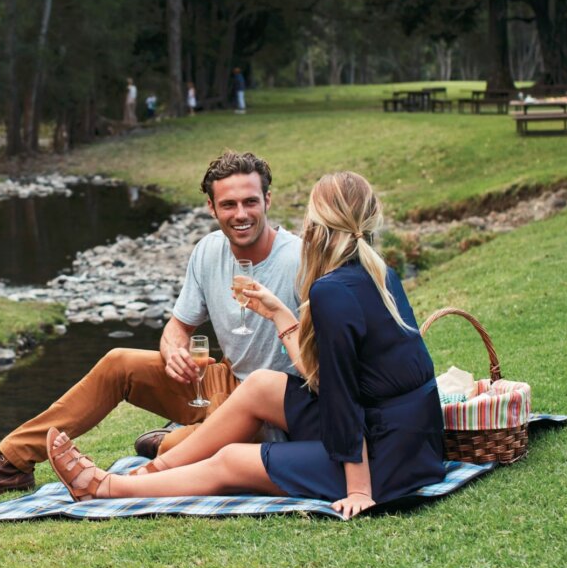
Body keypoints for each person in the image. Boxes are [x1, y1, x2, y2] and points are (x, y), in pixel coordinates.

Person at [45, 171, 445, 519]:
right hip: (414, 441)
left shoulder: (332, 291)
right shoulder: (377, 271)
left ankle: (102, 488)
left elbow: (342, 397)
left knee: (231, 460)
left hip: (383, 461)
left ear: (318, 223)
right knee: (261, 386)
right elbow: (331, 377)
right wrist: (278, 314)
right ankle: (148, 474)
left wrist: (358, 489)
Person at [0, 152, 302, 502]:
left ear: (268, 200)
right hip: (222, 383)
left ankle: (163, 444)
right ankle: (11, 464)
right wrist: (173, 351)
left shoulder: (299, 259)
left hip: (272, 408)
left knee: (197, 451)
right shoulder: (208, 251)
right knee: (118, 362)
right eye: (228, 205)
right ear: (211, 207)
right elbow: (178, 325)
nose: (241, 214)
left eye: (250, 202)